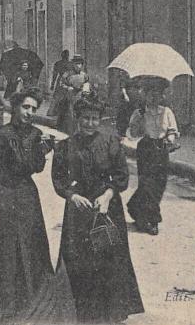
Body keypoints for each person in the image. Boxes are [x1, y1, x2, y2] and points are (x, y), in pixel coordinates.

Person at [0, 88, 75, 323]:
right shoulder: (2, 134)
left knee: (30, 246)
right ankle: (3, 305)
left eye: (33, 109)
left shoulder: (37, 134)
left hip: (28, 196)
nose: (29, 112)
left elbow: (36, 167)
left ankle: (31, 303)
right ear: (15, 107)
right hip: (6, 196)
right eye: (25, 107)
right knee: (3, 249)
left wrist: (44, 150)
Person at [52, 92, 144, 323]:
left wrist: (107, 195)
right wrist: (72, 196)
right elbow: (59, 179)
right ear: (77, 117)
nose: (90, 123)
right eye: (85, 118)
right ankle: (82, 313)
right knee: (79, 260)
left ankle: (110, 313)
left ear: (100, 119)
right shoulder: (65, 146)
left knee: (109, 259)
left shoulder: (111, 141)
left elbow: (122, 175)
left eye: (94, 118)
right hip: (78, 211)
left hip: (106, 208)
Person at [126, 77, 178, 235]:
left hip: (161, 150)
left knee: (159, 185)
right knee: (147, 185)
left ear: (162, 96)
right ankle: (153, 220)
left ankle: (134, 207)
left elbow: (172, 130)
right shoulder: (139, 112)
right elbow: (133, 134)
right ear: (145, 95)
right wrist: (138, 120)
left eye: (158, 94)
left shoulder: (167, 112)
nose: (154, 97)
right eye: (150, 94)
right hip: (146, 149)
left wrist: (170, 139)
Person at [55, 56, 90, 134]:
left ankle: (80, 131)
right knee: (70, 114)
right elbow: (61, 83)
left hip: (80, 96)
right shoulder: (67, 74)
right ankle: (69, 131)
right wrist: (67, 87)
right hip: (70, 95)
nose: (78, 66)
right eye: (77, 64)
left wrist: (86, 89)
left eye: (80, 64)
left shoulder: (84, 75)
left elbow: (87, 83)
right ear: (73, 64)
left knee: (80, 113)